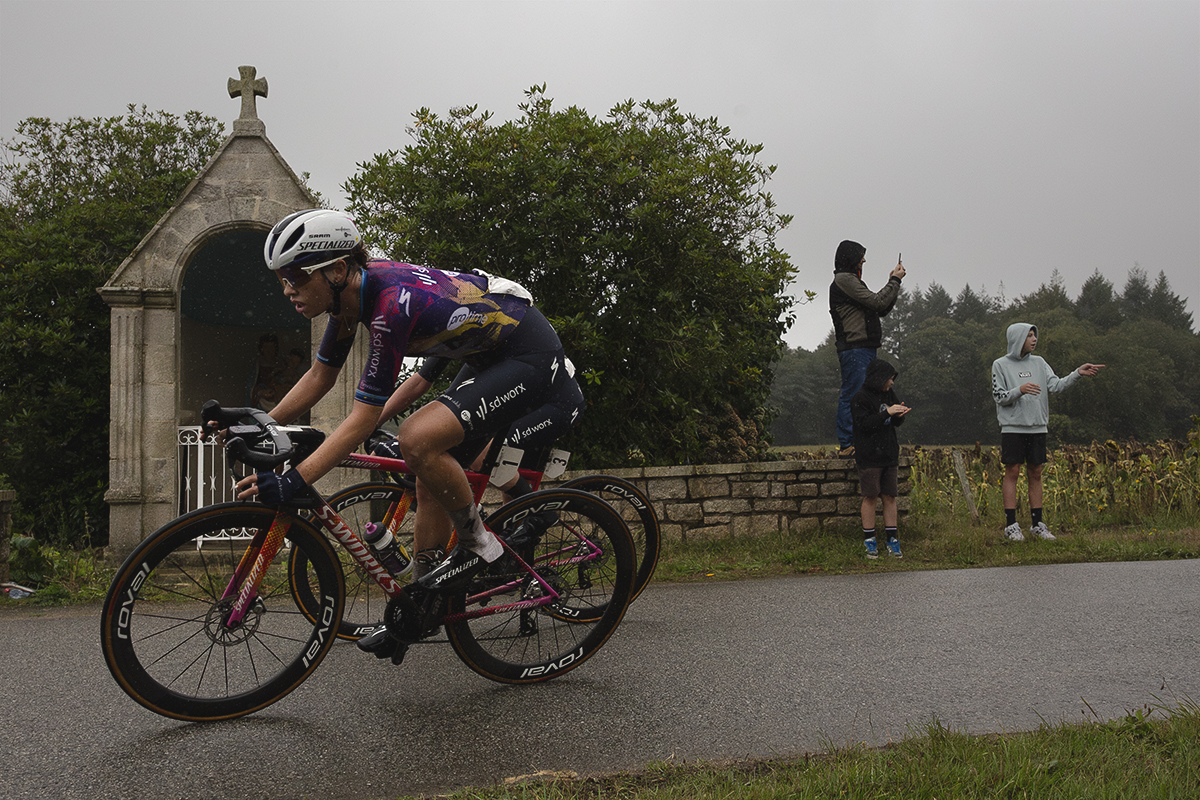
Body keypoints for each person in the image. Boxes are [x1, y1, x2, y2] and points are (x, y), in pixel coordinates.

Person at [231, 209, 578, 597]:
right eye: (282, 279)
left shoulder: (391, 306)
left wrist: (295, 479)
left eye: (295, 277)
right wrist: (260, 421)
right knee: (430, 477)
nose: (286, 290)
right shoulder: (349, 299)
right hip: (488, 357)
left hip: (528, 354)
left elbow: (364, 418)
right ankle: (427, 594)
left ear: (338, 270)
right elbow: (319, 377)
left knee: (416, 438)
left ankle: (483, 546)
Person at [371, 352, 585, 579]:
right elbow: (442, 396)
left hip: (558, 402)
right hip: (525, 393)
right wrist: (373, 424)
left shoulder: (470, 330)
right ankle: (508, 562)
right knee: (446, 467)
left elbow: (421, 385)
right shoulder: (453, 342)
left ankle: (542, 512)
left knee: (484, 455)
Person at [991, 323, 1105, 541]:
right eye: (1029, 336)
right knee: (1012, 472)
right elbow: (999, 396)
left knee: (1035, 473)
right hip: (1013, 428)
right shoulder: (1000, 365)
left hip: (1038, 427)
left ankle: (1037, 524)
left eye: (1035, 335)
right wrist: (1020, 390)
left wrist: (1077, 373)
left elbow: (1057, 386)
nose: (1034, 339)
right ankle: (1011, 525)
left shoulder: (1040, 362)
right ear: (1017, 338)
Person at [828, 240, 905, 458]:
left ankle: (856, 441)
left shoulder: (851, 281)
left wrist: (894, 283)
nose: (863, 261)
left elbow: (880, 307)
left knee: (863, 393)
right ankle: (847, 444)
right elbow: (878, 303)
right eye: (861, 258)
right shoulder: (844, 280)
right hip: (854, 348)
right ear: (851, 259)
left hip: (862, 348)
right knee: (852, 394)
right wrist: (894, 280)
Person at [850, 358, 910, 558]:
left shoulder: (889, 394)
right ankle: (870, 541)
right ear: (879, 378)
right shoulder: (860, 397)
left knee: (890, 496)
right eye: (889, 379)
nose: (891, 383)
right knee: (870, 497)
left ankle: (892, 540)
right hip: (869, 456)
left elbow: (893, 422)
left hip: (889, 454)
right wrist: (887, 414)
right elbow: (864, 424)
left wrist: (898, 415)